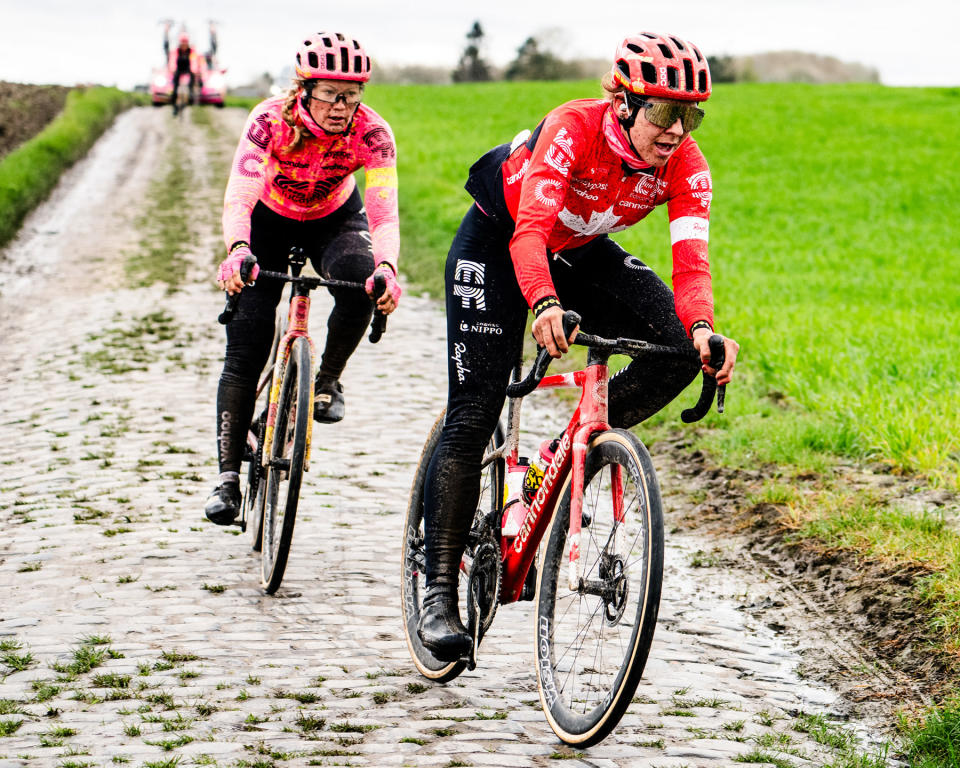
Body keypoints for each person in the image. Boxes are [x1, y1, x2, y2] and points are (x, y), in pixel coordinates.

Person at [417, 32, 740, 660]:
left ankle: (560, 456)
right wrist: (541, 303)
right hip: (501, 240)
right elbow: (530, 231)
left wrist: (703, 330)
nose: (678, 130)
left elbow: (691, 267)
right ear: (622, 101)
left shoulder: (687, 165)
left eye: (691, 114)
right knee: (475, 413)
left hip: (579, 250)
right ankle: (436, 591)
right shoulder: (573, 126)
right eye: (665, 112)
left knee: (674, 350)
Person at [204, 31, 402, 525]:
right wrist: (238, 250)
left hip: (335, 218)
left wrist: (388, 268)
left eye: (353, 96)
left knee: (361, 284)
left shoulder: (373, 133)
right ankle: (228, 478)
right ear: (304, 89)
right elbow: (240, 195)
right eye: (332, 95)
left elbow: (383, 217)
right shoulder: (270, 121)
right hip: (269, 220)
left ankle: (328, 379)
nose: (342, 107)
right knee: (246, 342)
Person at [163, 26, 202, 112]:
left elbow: (194, 61)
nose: (184, 45)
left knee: (192, 77)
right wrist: (172, 69)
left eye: (185, 43)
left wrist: (194, 70)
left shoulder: (192, 51)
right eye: (182, 43)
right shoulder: (176, 51)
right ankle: (174, 106)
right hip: (178, 69)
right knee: (175, 86)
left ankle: (190, 91)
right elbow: (172, 60)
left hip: (188, 69)